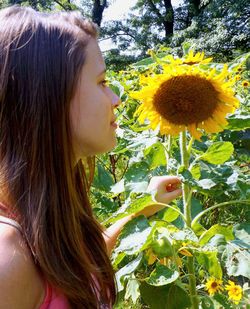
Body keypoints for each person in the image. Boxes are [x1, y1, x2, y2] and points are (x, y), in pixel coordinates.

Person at [0, 5, 182, 309]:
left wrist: (141, 209)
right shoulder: (9, 261)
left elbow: (78, 266)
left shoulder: (46, 214)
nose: (116, 99)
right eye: (101, 82)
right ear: (51, 96)